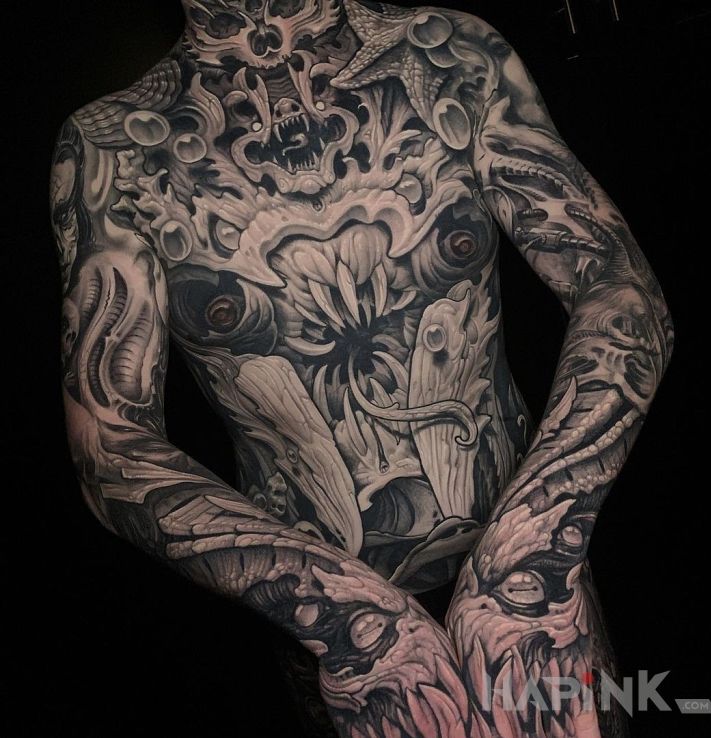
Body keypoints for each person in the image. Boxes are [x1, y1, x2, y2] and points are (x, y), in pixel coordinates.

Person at [48, 1, 674, 736]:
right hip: (328, 632)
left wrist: (536, 541)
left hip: (536, 578)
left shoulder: (448, 53)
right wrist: (343, 614)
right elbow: (110, 444)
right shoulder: (109, 146)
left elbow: (617, 287)